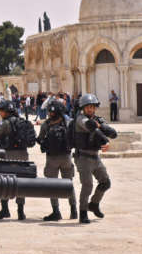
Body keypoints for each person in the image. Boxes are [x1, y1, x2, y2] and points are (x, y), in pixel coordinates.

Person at [71, 94, 117, 224]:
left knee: (105, 182)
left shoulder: (97, 119)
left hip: (95, 157)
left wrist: (105, 131)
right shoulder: (80, 119)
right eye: (88, 107)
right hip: (83, 157)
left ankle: (94, 204)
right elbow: (90, 126)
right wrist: (104, 137)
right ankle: (83, 212)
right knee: (87, 186)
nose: (90, 109)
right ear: (83, 108)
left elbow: (112, 132)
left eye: (92, 107)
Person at [0, 98, 31, 220]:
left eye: (1, 110)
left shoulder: (4, 123)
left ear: (6, 111)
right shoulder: (21, 121)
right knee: (21, 182)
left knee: (4, 182)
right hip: (23, 155)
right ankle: (21, 211)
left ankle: (5, 209)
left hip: (8, 155)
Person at [37, 98, 76, 221]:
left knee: (52, 186)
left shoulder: (46, 124)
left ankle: (56, 212)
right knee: (69, 184)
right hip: (66, 157)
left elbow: (40, 139)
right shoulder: (68, 121)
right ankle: (73, 210)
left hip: (52, 158)